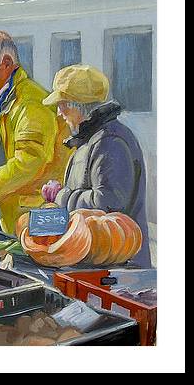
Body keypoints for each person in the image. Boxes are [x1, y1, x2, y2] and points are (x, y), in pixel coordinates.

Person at [41, 65, 151, 268]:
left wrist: (61, 195)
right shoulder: (91, 139)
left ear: (79, 106)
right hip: (99, 261)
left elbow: (106, 204)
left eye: (63, 104)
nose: (59, 112)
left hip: (120, 268)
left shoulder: (110, 141)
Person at [0, 31, 73, 235]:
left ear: (6, 63)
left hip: (31, 221)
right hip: (0, 216)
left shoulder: (32, 102)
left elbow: (30, 159)